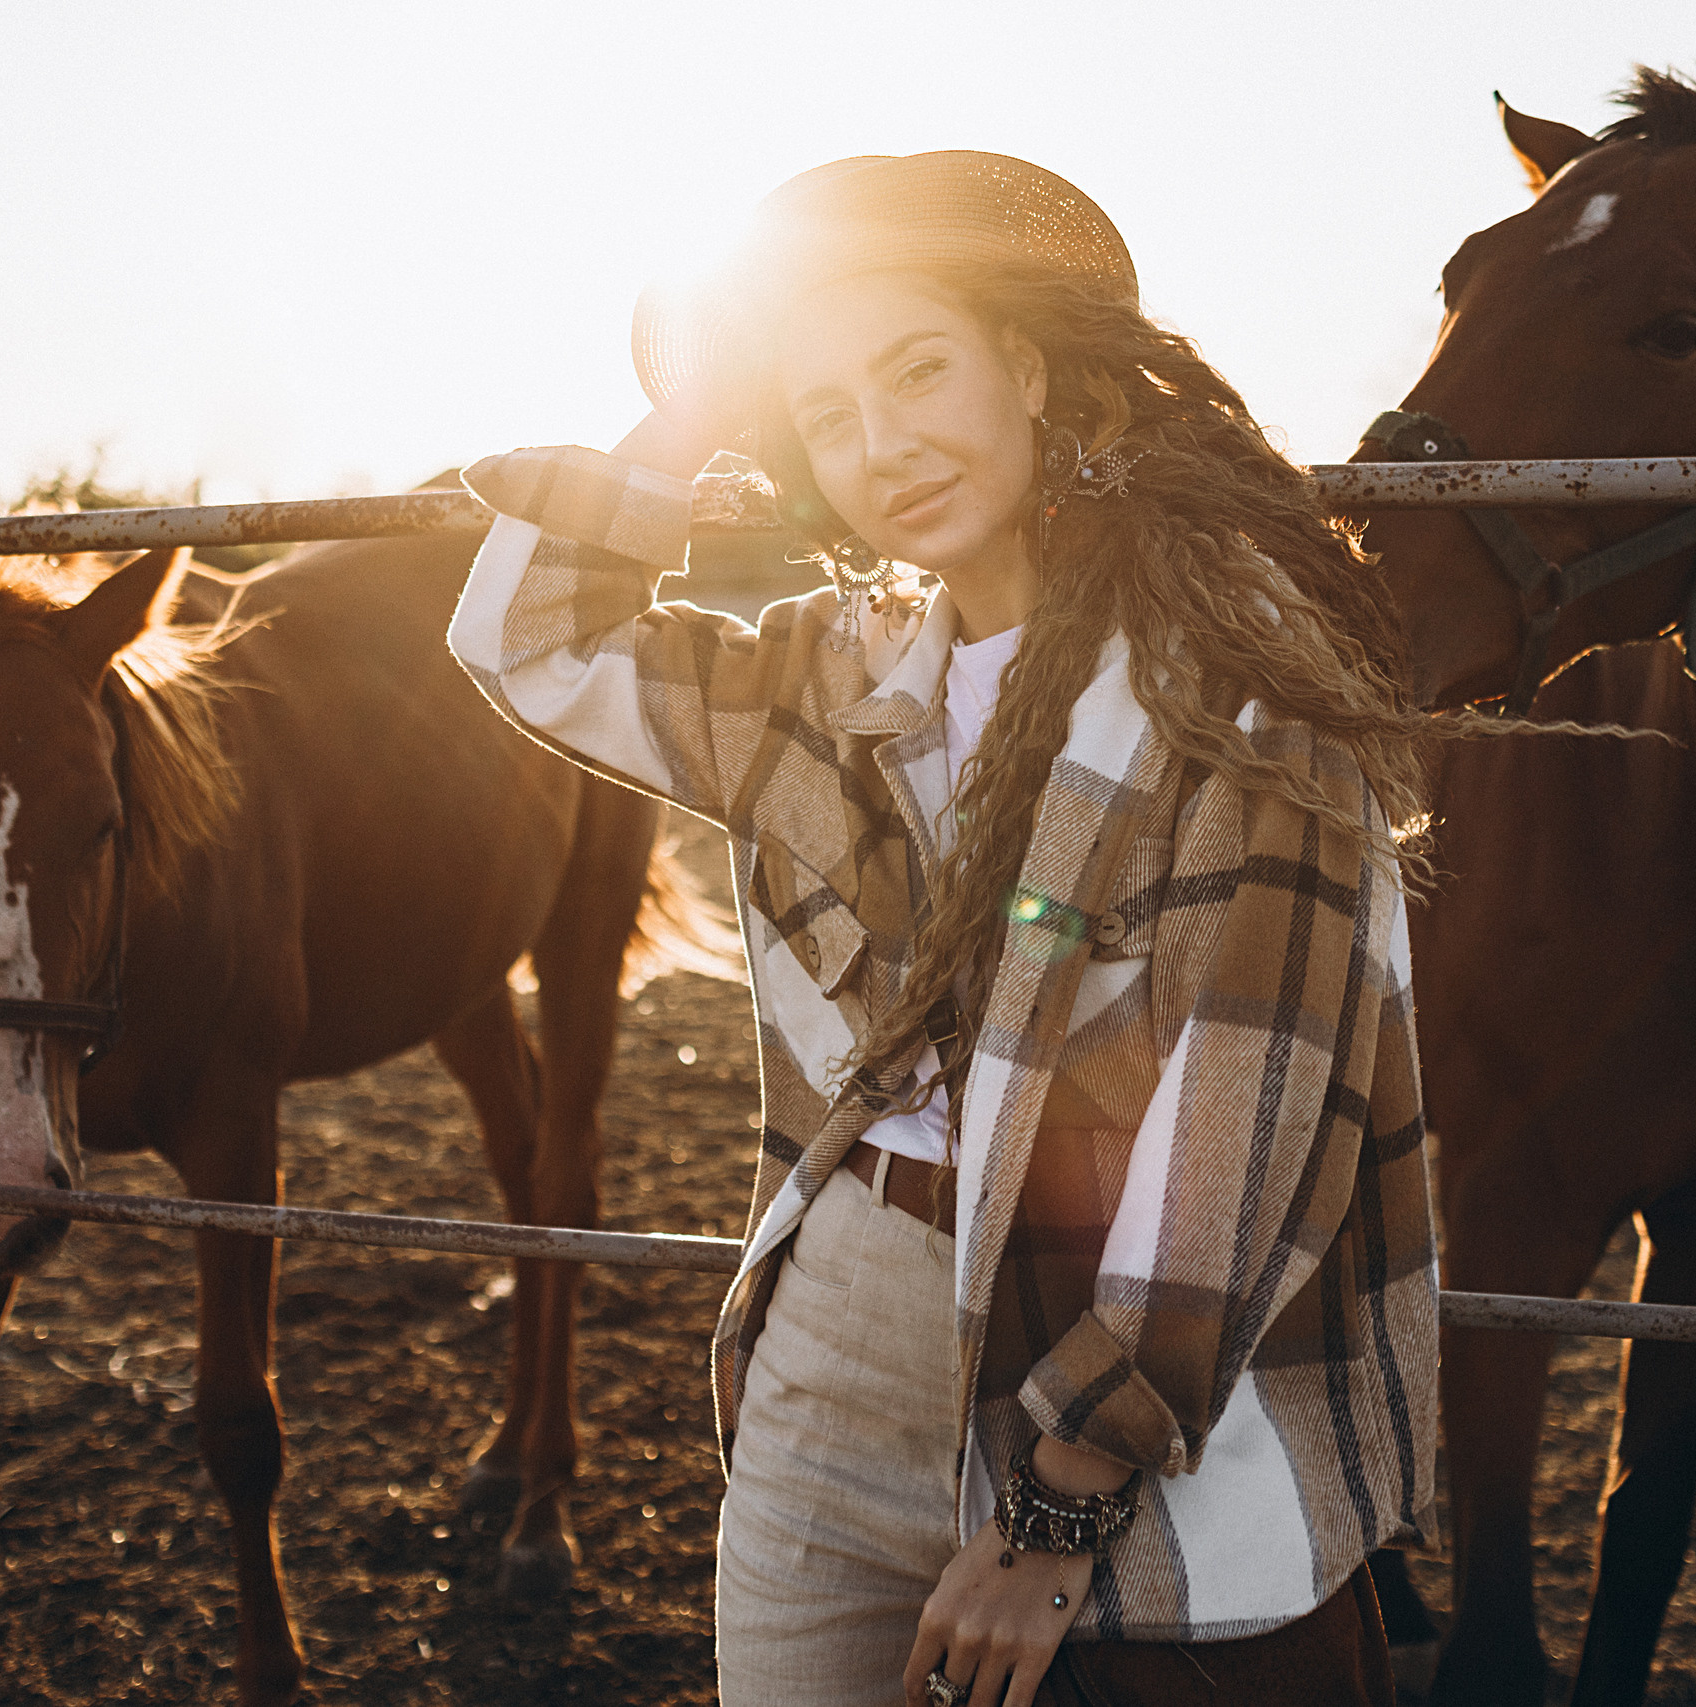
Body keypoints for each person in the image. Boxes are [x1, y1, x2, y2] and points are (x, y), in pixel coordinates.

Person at [448, 151, 1440, 1707]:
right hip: (837, 1330)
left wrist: (1057, 1507)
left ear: (1031, 370)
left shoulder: (1233, 686)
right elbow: (526, 633)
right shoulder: (823, 683)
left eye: (920, 371)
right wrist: (709, 393)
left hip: (1116, 1358)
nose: (882, 443)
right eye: (826, 415)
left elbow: (1248, 1124)